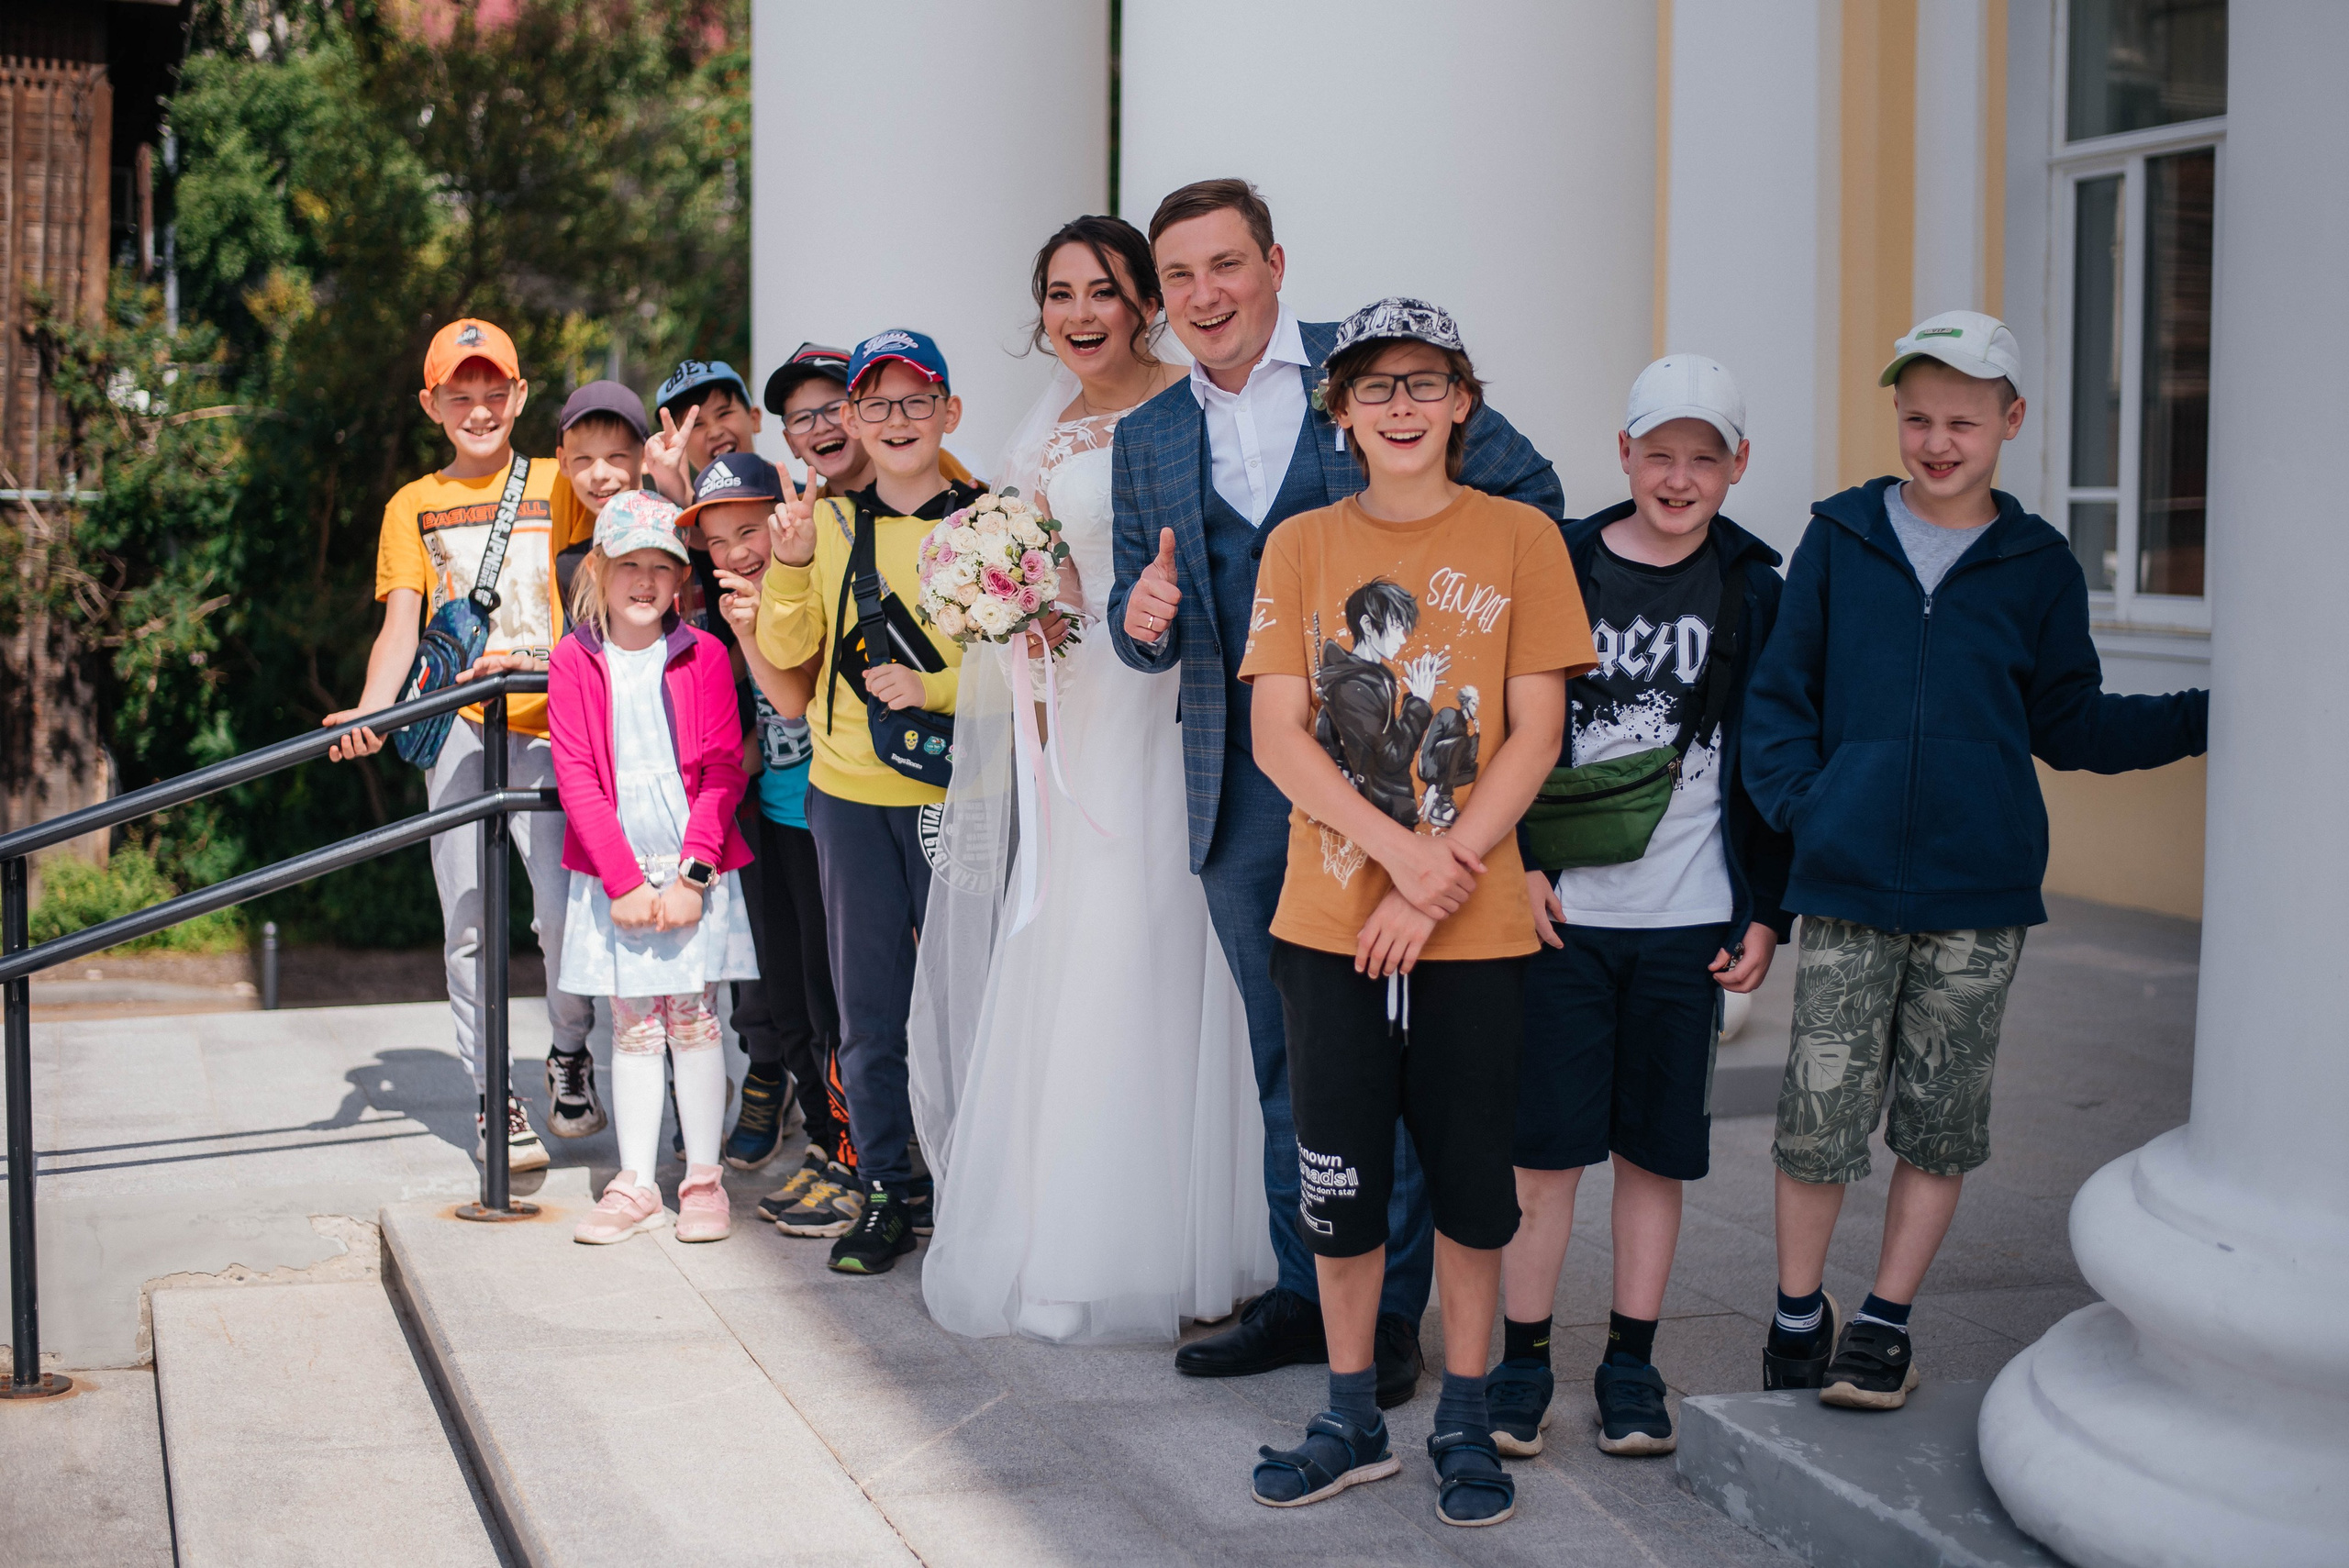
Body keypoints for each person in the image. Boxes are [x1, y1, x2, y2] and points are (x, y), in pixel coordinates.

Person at [1108, 180, 1566, 1403]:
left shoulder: (1372, 372)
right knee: (1298, 1059)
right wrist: (1139, 616)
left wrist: (1449, 622)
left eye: (1226, 265)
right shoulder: (1146, 438)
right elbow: (1140, 624)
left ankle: (1397, 1313)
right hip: (1247, 781)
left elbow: (1531, 498)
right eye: (1180, 276)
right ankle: (1313, 1292)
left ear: (1273, 265)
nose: (1205, 295)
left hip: (1410, 777)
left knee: (1412, 1056)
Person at [1742, 311, 2209, 1409]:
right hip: (1848, 882)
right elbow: (1779, 698)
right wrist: (1812, 807)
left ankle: (1883, 1321)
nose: (1936, 441)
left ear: (2011, 420)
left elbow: (2072, 722)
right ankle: (1797, 1313)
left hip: (1977, 891)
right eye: (1917, 418)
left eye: (1961, 420)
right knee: (1816, 1120)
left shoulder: (2037, 565)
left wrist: (2207, 712)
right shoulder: (1839, 537)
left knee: (1938, 1120)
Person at [1236, 299, 1589, 1527]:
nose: (1400, 404)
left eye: (1424, 381)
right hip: (1330, 918)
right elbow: (1278, 732)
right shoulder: (1301, 546)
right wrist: (1403, 860)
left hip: (1475, 926)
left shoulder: (1520, 536)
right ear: (1339, 411)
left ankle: (1466, 1415)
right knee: (1336, 1177)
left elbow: (1536, 728)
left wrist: (1449, 870)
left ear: (1461, 402)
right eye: (1374, 385)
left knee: (1473, 1179)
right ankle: (1350, 1416)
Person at [907, 215, 1275, 1343]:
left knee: (1176, 942)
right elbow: (1041, 577)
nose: (1078, 314)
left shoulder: (1188, 409)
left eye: (1102, 291)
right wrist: (1012, 612)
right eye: (1059, 294)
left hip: (1178, 707)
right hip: (1079, 716)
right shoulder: (1040, 436)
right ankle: (1076, 1237)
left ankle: (1207, 1240)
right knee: (1083, 942)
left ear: (1144, 305)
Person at [1490, 356, 1793, 1461]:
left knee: (1655, 1157)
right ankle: (1523, 1359)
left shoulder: (1754, 589)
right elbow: (1501, 723)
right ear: (1623, 454)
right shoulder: (1558, 563)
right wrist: (1519, 861)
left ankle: (1630, 1362)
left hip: (1688, 916)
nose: (1677, 477)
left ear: (1736, 465)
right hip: (1563, 917)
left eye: (1702, 458)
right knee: (1543, 1157)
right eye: (1657, 453)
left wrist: (1765, 910)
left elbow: (1772, 754)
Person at [325, 319, 595, 1172]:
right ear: (431, 404)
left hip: (551, 725)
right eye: (460, 394)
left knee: (562, 915)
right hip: (460, 729)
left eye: (493, 392)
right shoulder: (413, 503)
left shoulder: (559, 483)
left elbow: (608, 583)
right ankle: (491, 1098)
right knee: (470, 923)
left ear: (520, 395)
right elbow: (401, 626)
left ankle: (568, 1048)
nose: (478, 409)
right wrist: (372, 711)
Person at [757, 328, 974, 1275]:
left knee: (965, 1002)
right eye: (876, 404)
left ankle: (970, 1187)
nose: (896, 420)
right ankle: (887, 1186)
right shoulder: (831, 522)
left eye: (914, 400)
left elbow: (1025, 663)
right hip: (845, 794)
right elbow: (786, 649)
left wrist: (935, 687)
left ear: (948, 412)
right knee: (868, 1008)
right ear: (852, 418)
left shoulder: (987, 521)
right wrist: (789, 562)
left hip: (955, 792)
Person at [549, 489, 757, 1244]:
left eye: (661, 566)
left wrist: (693, 876)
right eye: (628, 564)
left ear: (680, 579)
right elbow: (576, 775)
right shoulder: (574, 659)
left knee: (696, 1019)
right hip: (619, 877)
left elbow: (724, 769)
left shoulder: (703, 655)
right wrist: (625, 882)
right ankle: (635, 1181)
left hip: (693, 870)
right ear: (599, 571)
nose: (644, 580)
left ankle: (703, 1180)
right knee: (633, 1023)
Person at [677, 453, 848, 1204]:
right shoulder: (722, 608)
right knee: (787, 998)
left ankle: (858, 1155)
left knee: (833, 997)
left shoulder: (814, 582)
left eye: (748, 531)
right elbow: (753, 740)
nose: (735, 553)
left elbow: (793, 700)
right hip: (770, 823)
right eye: (717, 542)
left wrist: (750, 631)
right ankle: (826, 1142)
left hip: (833, 821)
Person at [762, 341, 981, 501]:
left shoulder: (955, 486)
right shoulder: (801, 517)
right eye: (801, 418)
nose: (822, 427)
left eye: (835, 409)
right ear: (790, 442)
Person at [643, 360, 763, 507]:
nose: (714, 432)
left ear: (754, 419)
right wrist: (670, 485)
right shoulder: (686, 517)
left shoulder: (790, 500)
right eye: (696, 424)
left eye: (724, 414)